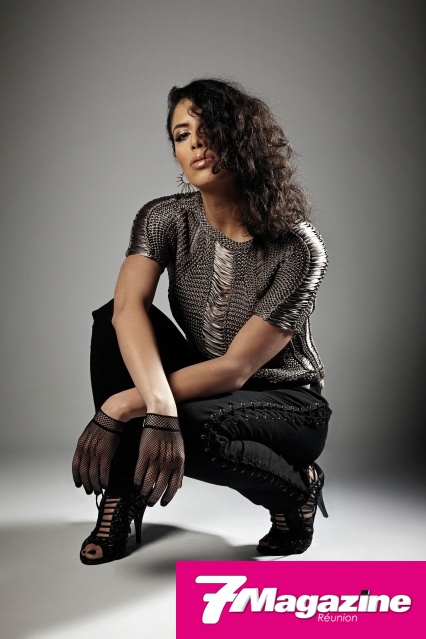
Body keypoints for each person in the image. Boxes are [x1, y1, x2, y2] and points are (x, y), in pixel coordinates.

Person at [72, 78, 332, 565]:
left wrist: (123, 405)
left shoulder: (298, 246)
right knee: (111, 320)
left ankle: (297, 491)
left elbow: (236, 369)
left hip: (287, 403)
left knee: (187, 426)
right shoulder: (164, 218)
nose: (196, 143)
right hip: (206, 380)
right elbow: (127, 309)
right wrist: (156, 404)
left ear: (242, 138)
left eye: (209, 128)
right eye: (182, 135)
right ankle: (122, 494)